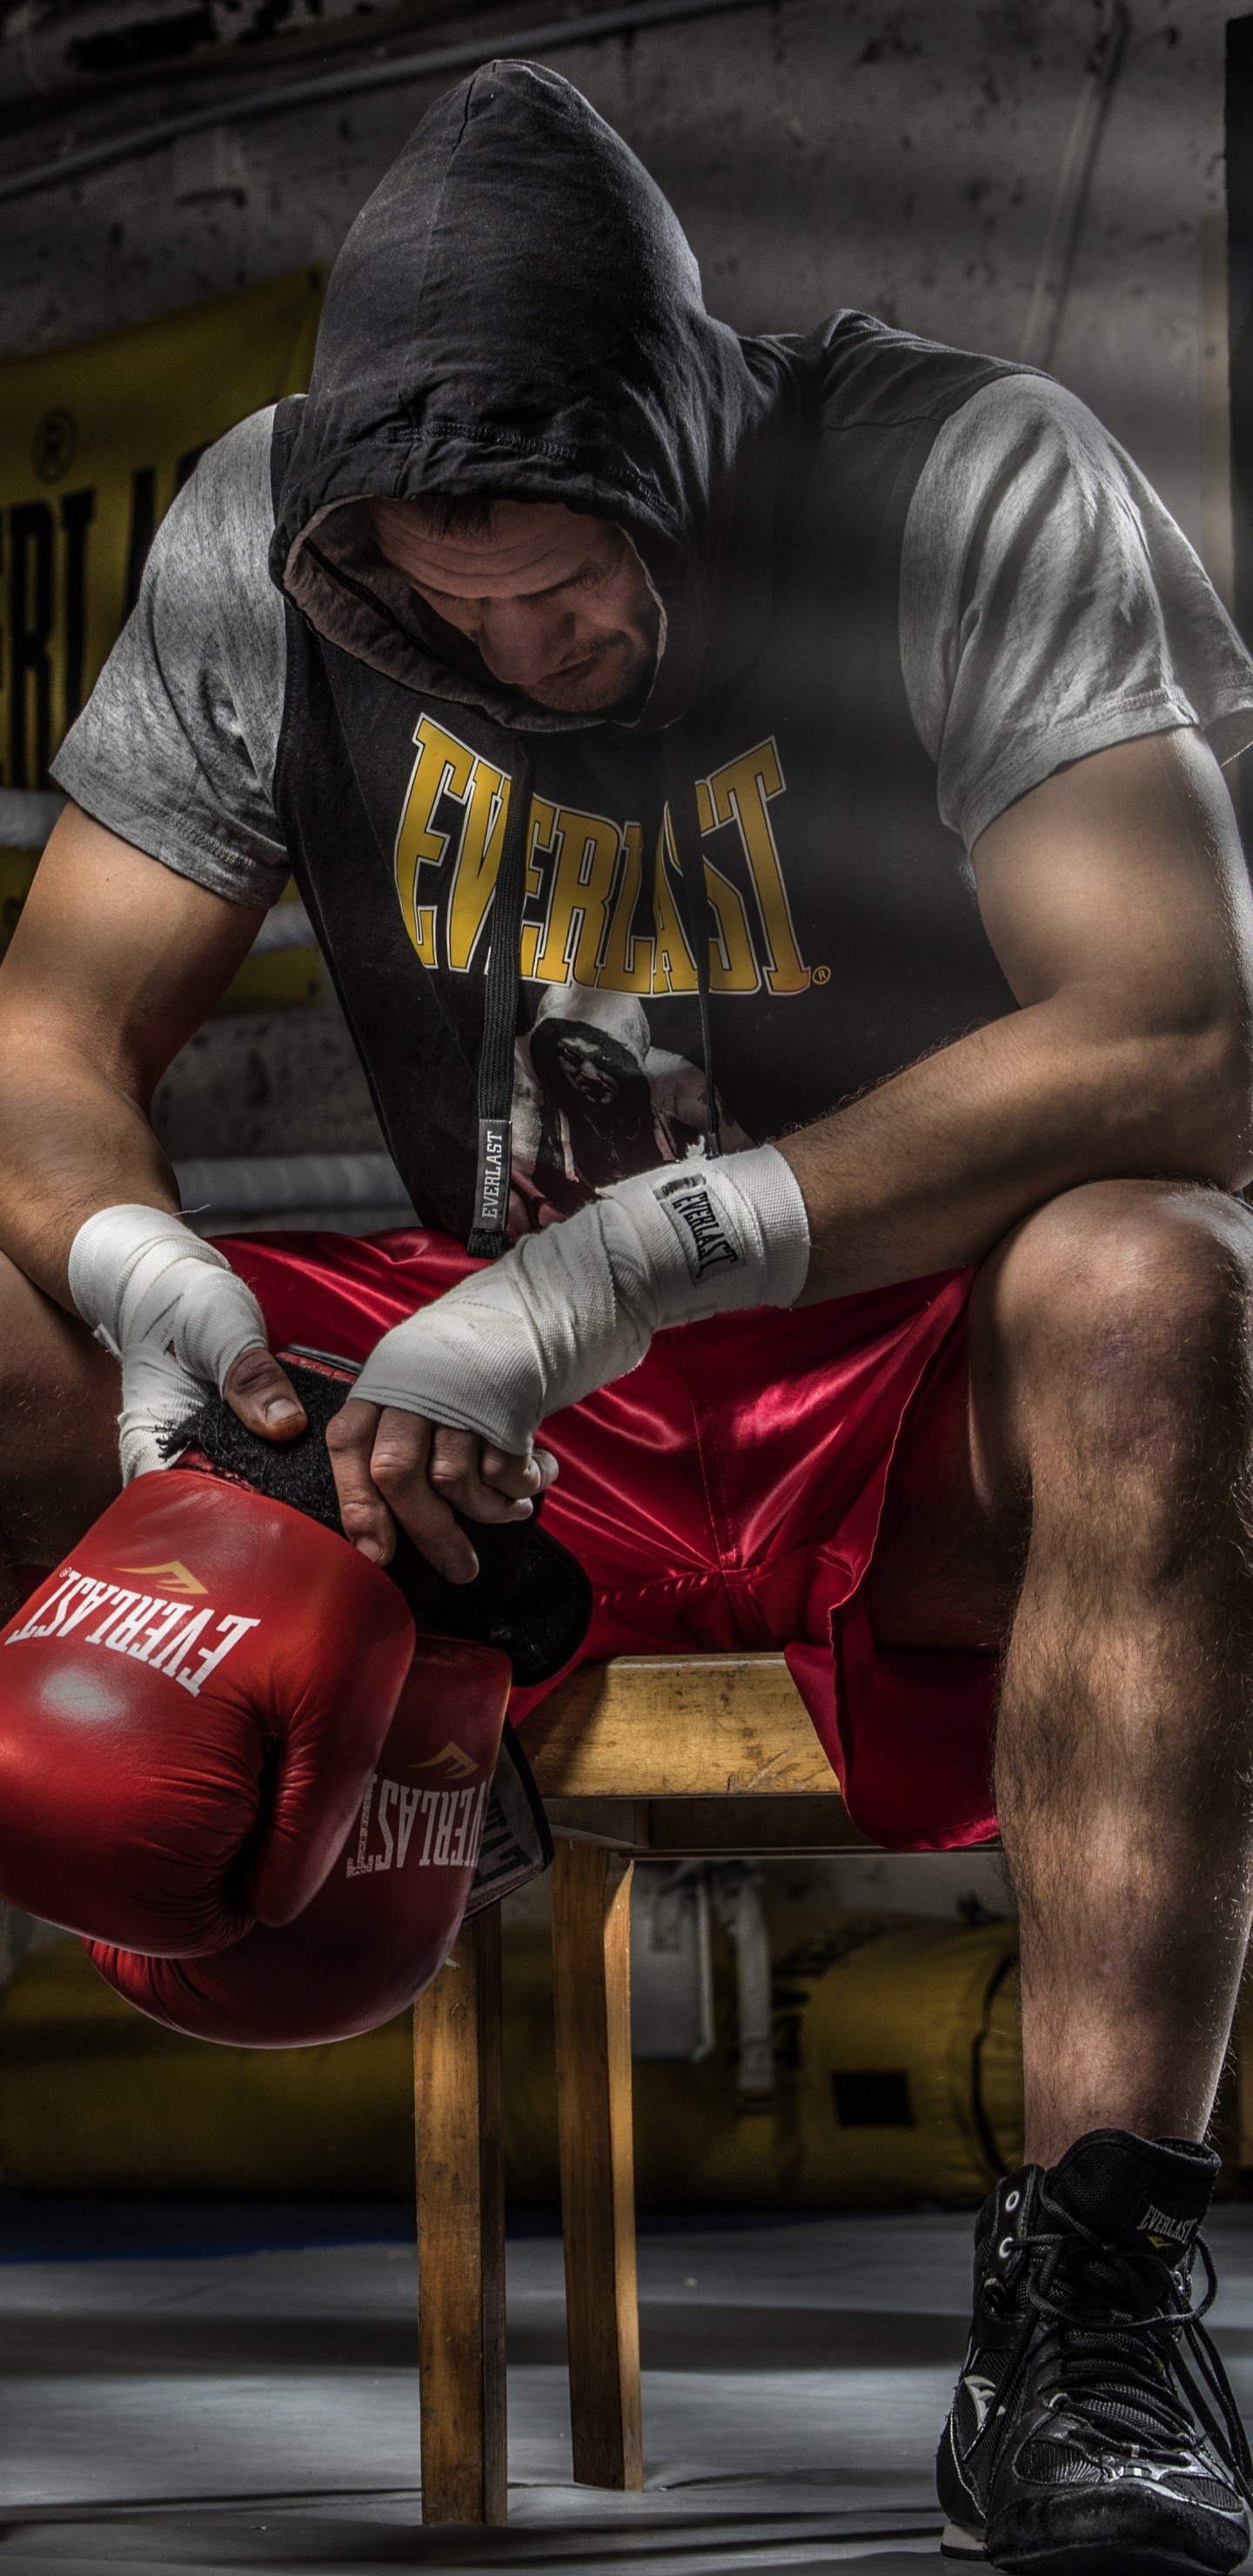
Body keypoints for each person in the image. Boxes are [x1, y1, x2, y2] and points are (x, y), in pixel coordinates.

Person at [1, 55, 1252, 2575]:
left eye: (571, 573)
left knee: (1164, 1284)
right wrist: (150, 1292)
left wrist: (626, 1262)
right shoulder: (270, 536)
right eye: (448, 604)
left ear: (685, 442)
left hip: (894, 1366)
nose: (524, 642)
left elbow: (1186, 1026)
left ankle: (1095, 2307)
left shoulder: (957, 477)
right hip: (474, 1396)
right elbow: (44, 1036)